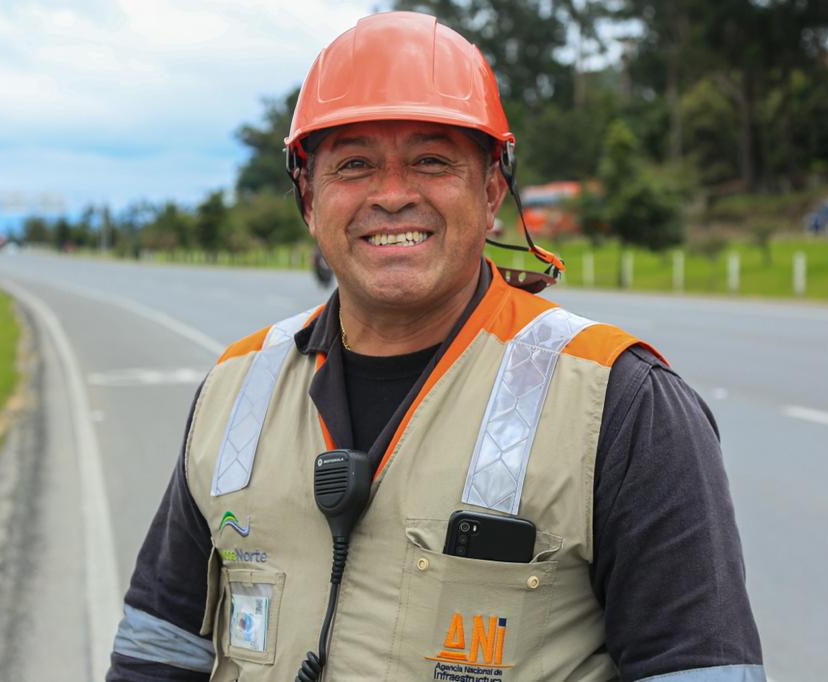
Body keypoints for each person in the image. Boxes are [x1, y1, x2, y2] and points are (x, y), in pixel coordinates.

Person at [107, 11, 764, 682]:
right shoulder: (235, 388)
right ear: (308, 198)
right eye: (354, 165)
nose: (392, 195)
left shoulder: (621, 403)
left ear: (490, 190)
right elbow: (157, 651)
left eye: (431, 160)